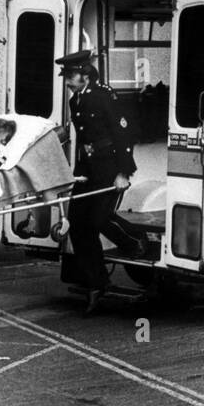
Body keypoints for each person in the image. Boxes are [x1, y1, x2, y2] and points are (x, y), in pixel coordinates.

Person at [56, 50, 137, 314]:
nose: (68, 81)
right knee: (78, 226)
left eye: (71, 75)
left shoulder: (104, 96)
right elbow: (82, 139)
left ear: (85, 73)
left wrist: (124, 172)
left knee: (100, 219)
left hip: (111, 167)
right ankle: (96, 284)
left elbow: (123, 133)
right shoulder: (75, 101)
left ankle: (135, 243)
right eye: (66, 76)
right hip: (87, 169)